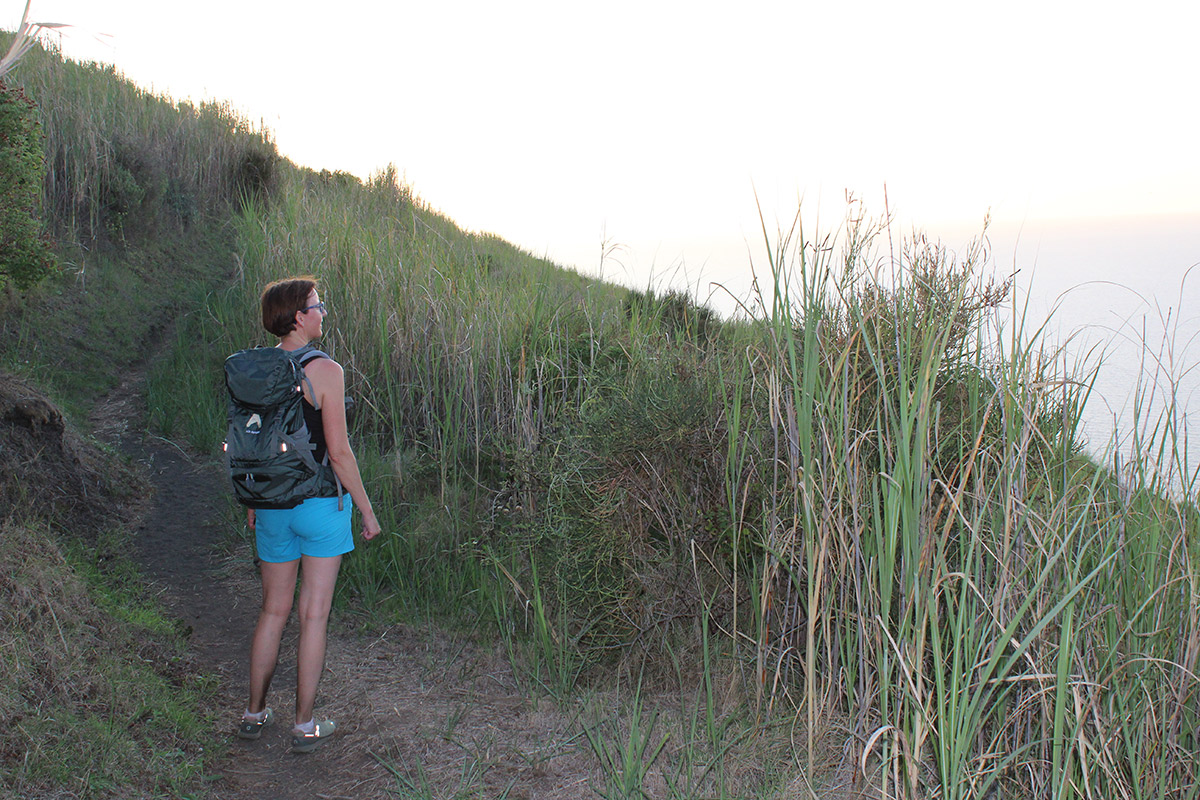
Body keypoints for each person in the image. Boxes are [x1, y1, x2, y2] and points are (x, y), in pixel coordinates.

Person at [235, 276, 381, 753]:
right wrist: (366, 510)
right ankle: (303, 726)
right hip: (321, 507)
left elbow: (251, 443)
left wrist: (256, 502)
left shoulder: (258, 368)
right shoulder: (326, 370)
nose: (323, 314)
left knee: (272, 611)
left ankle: (254, 713)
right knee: (313, 616)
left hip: (273, 507)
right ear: (298, 316)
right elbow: (338, 452)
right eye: (318, 306)